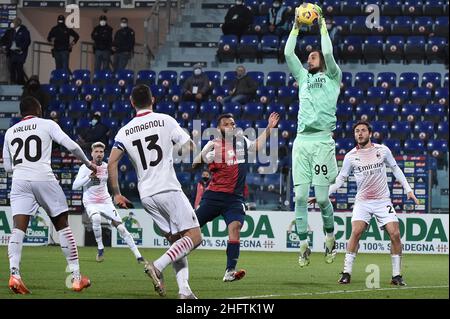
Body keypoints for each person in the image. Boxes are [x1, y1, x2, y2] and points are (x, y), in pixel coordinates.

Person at [108, 84, 202, 299]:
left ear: (132, 103)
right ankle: (157, 267)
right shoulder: (166, 120)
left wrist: (116, 193)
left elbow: (111, 163)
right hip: (167, 187)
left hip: (147, 195)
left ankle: (184, 291)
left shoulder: (124, 131)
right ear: (154, 99)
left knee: (177, 241)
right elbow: (189, 148)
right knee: (194, 237)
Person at [2, 96, 96, 294]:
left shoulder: (10, 132)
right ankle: (76, 278)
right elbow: (71, 145)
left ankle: (14, 274)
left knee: (18, 230)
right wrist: (88, 164)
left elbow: (8, 166)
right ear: (38, 110)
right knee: (62, 225)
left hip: (19, 181)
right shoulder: (46, 124)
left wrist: (24, 169)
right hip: (43, 177)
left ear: (21, 113)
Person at [321, 121, 419, 286]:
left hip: (382, 201)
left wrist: (408, 189)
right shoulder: (350, 156)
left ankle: (397, 276)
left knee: (395, 234)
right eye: (357, 131)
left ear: (370, 133)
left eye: (363, 130)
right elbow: (340, 180)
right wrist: (323, 194)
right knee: (356, 232)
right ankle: (346, 273)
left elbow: (396, 169)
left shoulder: (383, 150)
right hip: (363, 202)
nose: (360, 133)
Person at [284, 5, 342, 267]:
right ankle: (304, 244)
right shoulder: (303, 78)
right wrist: (296, 26)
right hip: (301, 142)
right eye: (309, 57)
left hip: (321, 141)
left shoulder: (332, 76)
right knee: (298, 197)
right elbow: (288, 52)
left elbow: (328, 51)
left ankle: (330, 235)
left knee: (320, 198)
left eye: (313, 57)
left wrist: (321, 25)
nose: (310, 59)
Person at [192, 112, 280, 282]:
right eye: (226, 124)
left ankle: (230, 271)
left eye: (233, 123)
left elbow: (256, 147)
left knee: (235, 227)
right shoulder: (212, 144)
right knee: (192, 227)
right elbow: (194, 164)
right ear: (219, 128)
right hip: (214, 196)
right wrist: (204, 156)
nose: (231, 126)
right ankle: (174, 254)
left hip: (234, 198)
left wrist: (269, 128)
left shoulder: (241, 142)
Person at [72, 141, 145, 263]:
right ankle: (100, 248)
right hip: (90, 202)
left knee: (121, 228)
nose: (99, 154)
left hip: (106, 201)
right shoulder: (85, 167)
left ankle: (138, 256)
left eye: (101, 152)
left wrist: (117, 196)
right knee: (96, 219)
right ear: (92, 153)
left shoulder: (107, 167)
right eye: (96, 152)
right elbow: (74, 186)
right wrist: (88, 177)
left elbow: (113, 183)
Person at [0, 18, 30, 85]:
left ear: (18, 23)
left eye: (13, 22)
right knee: (11, 69)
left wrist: (20, 48)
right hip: (11, 53)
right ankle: (12, 83)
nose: (12, 23)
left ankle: (20, 84)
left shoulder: (25, 31)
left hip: (20, 54)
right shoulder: (9, 31)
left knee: (19, 69)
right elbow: (3, 39)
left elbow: (27, 42)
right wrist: (3, 46)